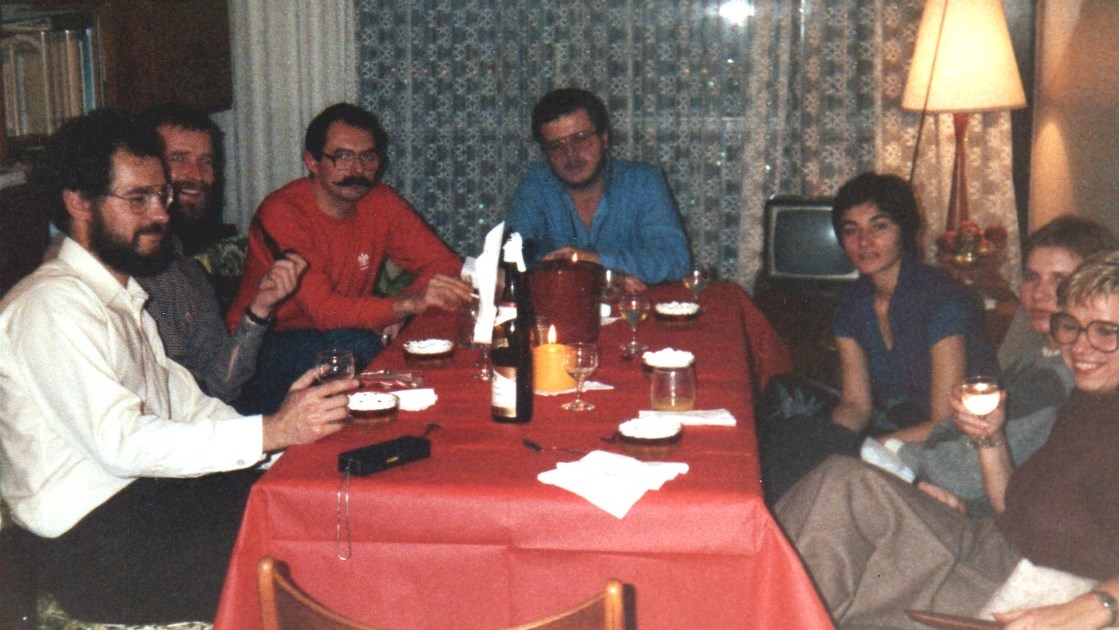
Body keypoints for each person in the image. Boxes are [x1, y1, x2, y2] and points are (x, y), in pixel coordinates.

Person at [0, 109, 353, 624]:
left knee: (319, 507)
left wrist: (284, 445)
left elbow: (188, 405)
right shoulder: (50, 306)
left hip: (145, 506)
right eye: (137, 199)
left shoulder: (120, 297)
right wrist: (271, 432)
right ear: (78, 201)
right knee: (303, 557)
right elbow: (122, 443)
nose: (161, 215)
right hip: (91, 549)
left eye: (161, 197)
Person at [775, 249, 1119, 630]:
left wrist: (1096, 606)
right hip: (992, 543)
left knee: (838, 578)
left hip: (1038, 583)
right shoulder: (1086, 400)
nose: (1080, 347)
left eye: (1106, 332)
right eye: (1071, 326)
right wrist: (990, 438)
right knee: (843, 482)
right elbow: (1009, 507)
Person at [759, 172, 998, 504]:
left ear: (905, 231)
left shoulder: (943, 300)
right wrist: (834, 439)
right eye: (851, 230)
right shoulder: (852, 304)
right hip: (890, 425)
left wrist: (867, 448)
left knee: (803, 442)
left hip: (949, 438)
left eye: (879, 226)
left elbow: (945, 420)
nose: (864, 241)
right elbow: (856, 405)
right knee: (783, 401)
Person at [225, 103, 471, 413]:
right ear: (312, 161)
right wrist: (404, 305)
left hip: (338, 331)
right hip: (259, 349)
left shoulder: (380, 201)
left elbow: (445, 264)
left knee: (431, 331)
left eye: (368, 157)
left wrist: (401, 308)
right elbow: (324, 311)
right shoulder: (283, 213)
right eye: (342, 156)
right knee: (358, 348)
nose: (357, 169)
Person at [895, 216, 1118, 514]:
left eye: (1059, 280)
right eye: (1031, 277)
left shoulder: (1070, 376)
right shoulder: (1033, 357)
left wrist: (898, 456)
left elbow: (970, 478)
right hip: (982, 502)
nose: (1039, 293)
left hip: (972, 512)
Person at [136, 103, 308, 404]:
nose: (197, 175)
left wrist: (260, 308)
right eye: (179, 159)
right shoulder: (127, 270)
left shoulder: (189, 272)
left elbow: (223, 385)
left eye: (206, 162)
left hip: (212, 415)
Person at [505, 87, 690, 285]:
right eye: (556, 146)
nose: (570, 154)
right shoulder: (536, 186)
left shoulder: (642, 181)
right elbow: (510, 258)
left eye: (580, 138)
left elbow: (675, 260)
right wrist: (609, 274)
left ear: (604, 138)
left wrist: (592, 260)